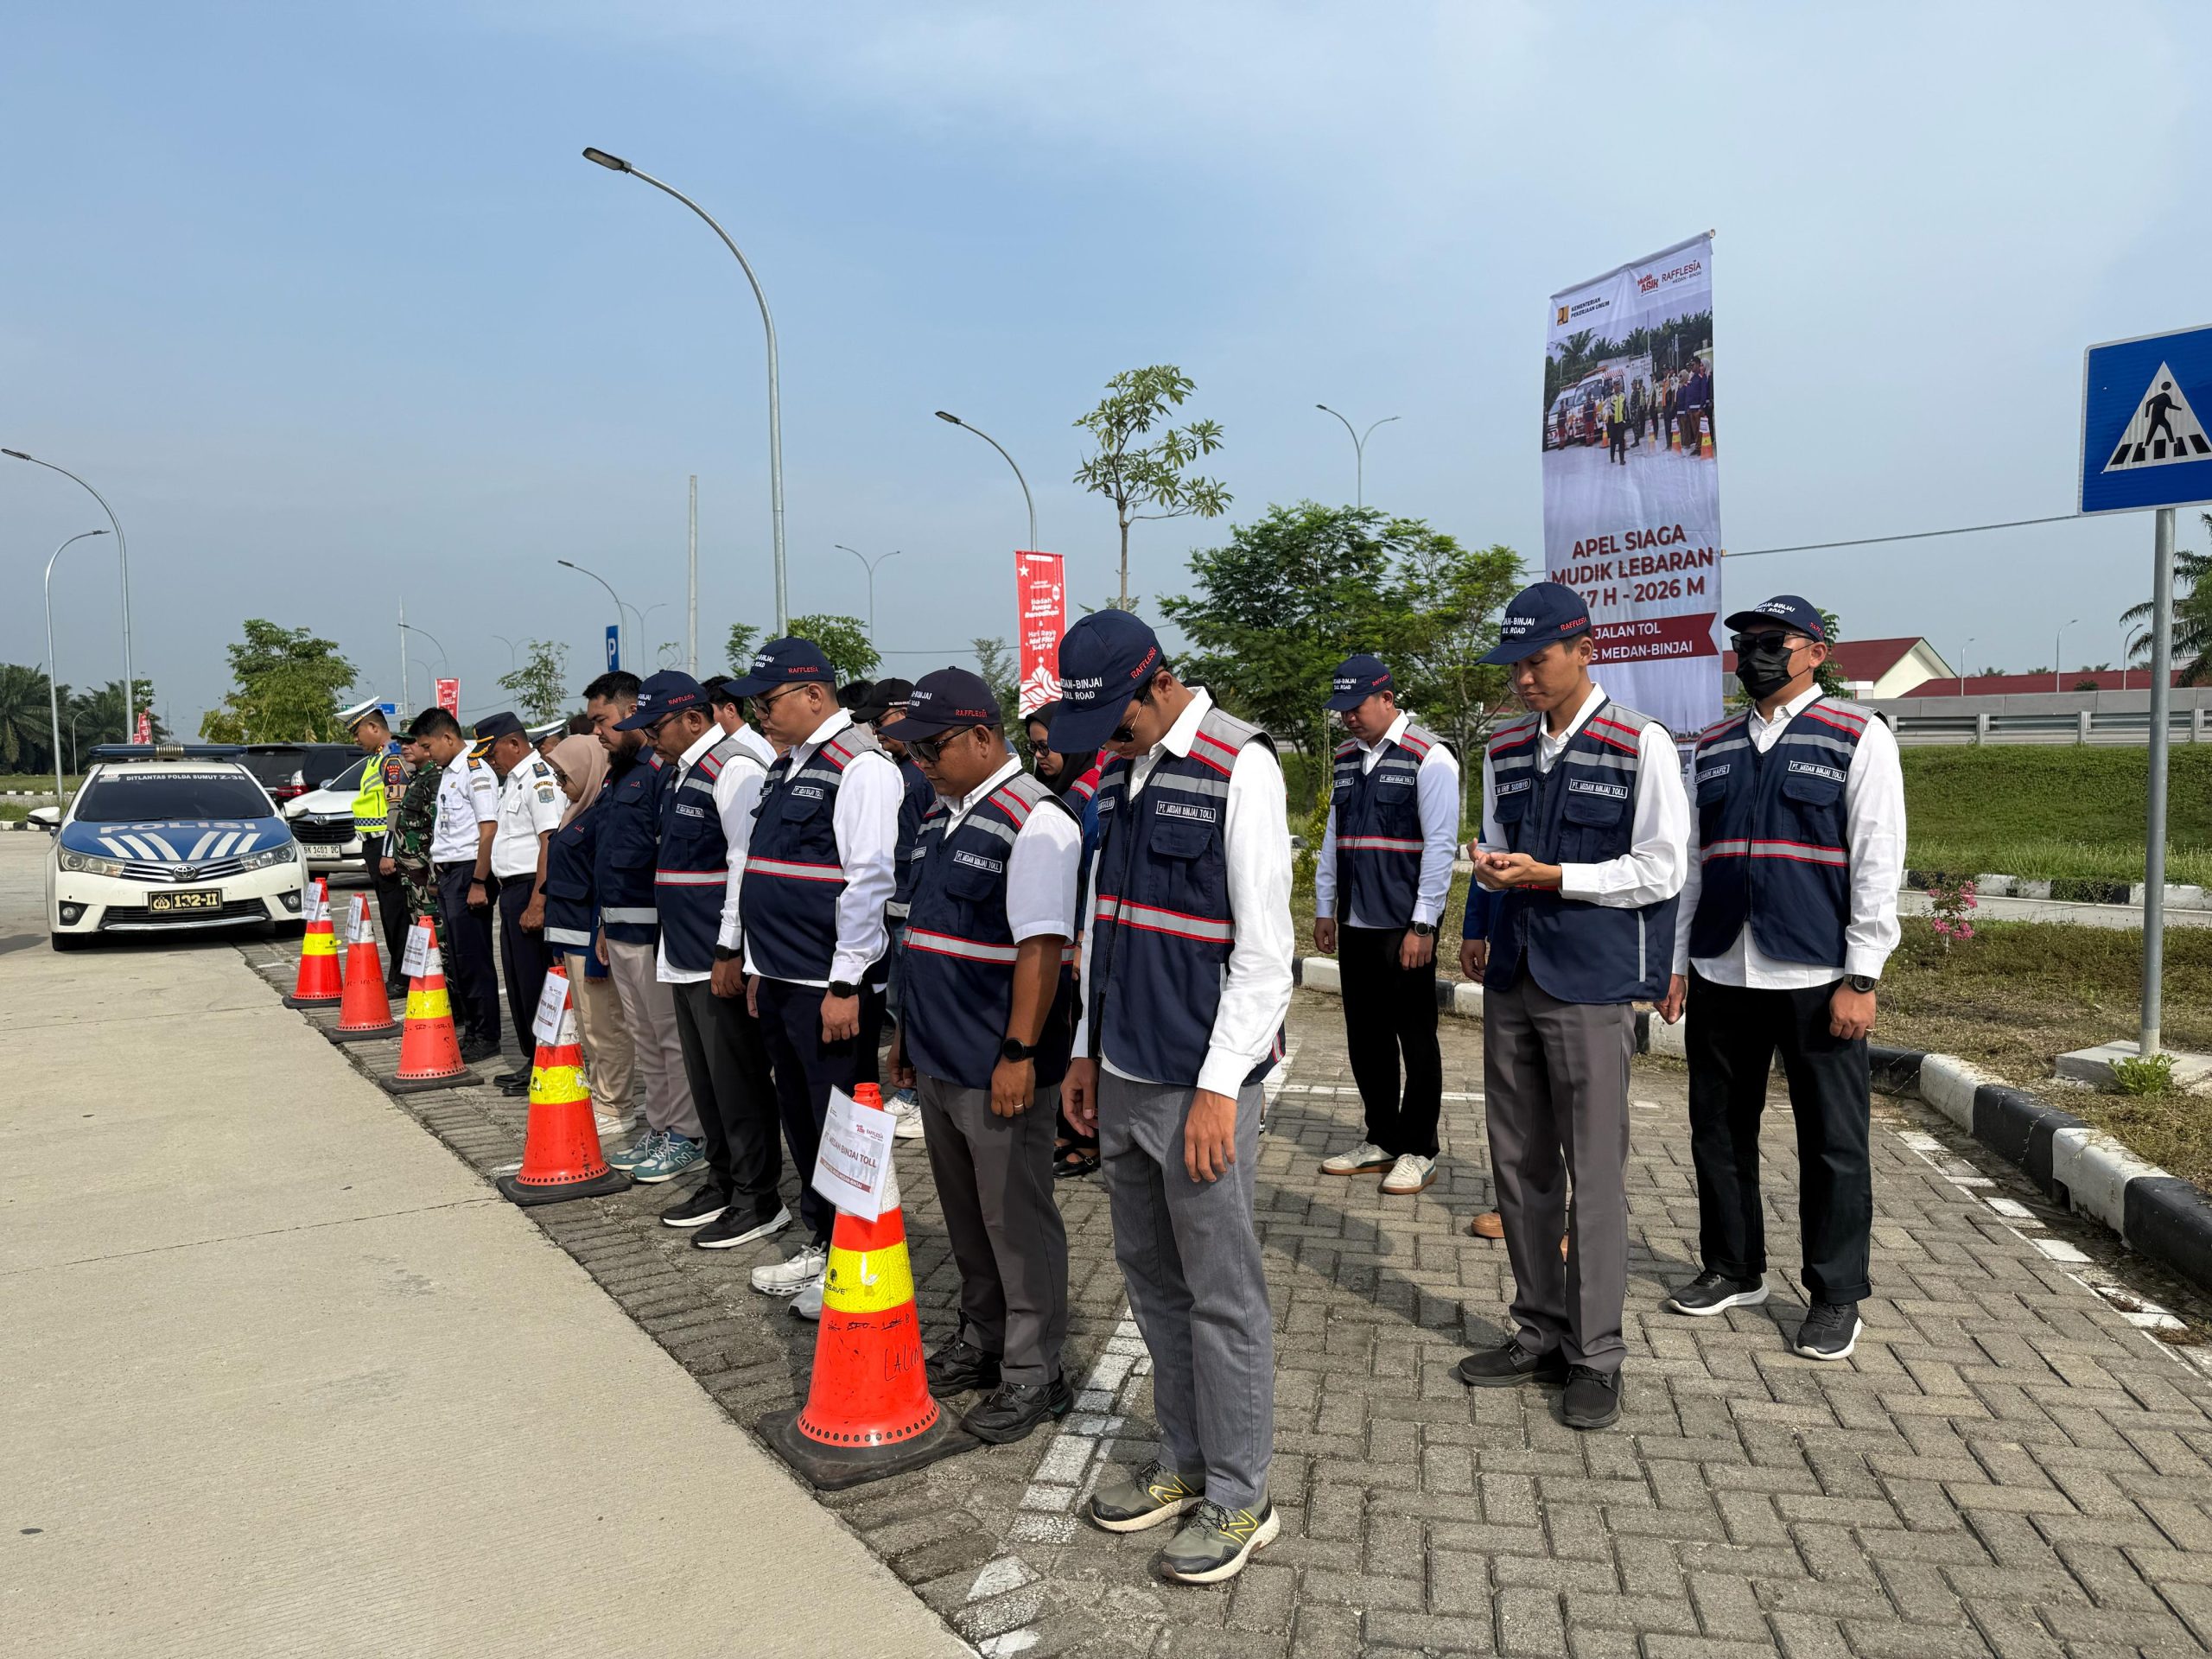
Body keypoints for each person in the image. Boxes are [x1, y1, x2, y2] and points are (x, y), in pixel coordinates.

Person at [1052, 611, 1292, 1586]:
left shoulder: (1242, 765)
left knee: (1222, 1295)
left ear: (1156, 686)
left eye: (1114, 718)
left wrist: (1217, 1089)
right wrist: (1081, 1049)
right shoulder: (1121, 770)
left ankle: (1241, 1495)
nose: (1103, 740)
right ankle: (1183, 1463)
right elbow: (1100, 927)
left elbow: (1266, 955)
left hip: (1199, 1086)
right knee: (1152, 1283)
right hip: (1121, 1071)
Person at [1453, 582, 1688, 1432]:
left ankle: (1594, 1355)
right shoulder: (1506, 747)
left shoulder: (1639, 743)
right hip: (1514, 975)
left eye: (1537, 661)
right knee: (1518, 1163)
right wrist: (1480, 914)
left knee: (1592, 1172)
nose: (1523, 680)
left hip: (1588, 985)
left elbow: (1663, 867)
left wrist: (1561, 878)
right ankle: (1537, 1331)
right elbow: (1491, 839)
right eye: (1513, 665)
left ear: (1584, 647)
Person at [1658, 596, 1904, 1362]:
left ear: (1814, 653)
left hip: (1815, 971)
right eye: (1745, 643)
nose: (1753, 655)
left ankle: (1836, 1295)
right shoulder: (1717, 744)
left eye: (1771, 642)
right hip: (1723, 965)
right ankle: (1733, 1267)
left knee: (1832, 1141)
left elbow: (1877, 859)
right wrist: (1676, 962)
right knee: (1718, 1130)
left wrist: (1862, 976)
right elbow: (1694, 863)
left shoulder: (1857, 735)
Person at [882, 669, 1082, 1441]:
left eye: (932, 746)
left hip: (996, 1061)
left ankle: (1035, 1372)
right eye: (912, 749)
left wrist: (1020, 1054)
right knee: (967, 1216)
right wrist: (907, 1034)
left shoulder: (1035, 821)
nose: (921, 761)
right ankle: (983, 1336)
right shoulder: (943, 817)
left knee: (1016, 1219)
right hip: (937, 1052)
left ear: (982, 736)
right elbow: (923, 938)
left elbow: (1040, 950)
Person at [728, 638, 901, 1308]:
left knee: (843, 1126)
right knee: (801, 1117)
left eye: (767, 702)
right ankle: (825, 1241)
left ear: (812, 695)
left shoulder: (860, 766)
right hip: (780, 977)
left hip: (826, 987)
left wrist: (845, 982)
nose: (760, 715)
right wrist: (755, 965)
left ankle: (858, 1263)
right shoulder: (788, 766)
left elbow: (868, 881)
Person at [618, 671, 791, 1238]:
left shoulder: (733, 769)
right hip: (684, 951)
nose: (649, 738)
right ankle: (723, 1180)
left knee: (737, 1082)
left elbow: (744, 862)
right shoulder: (677, 774)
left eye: (656, 726)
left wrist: (729, 948)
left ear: (696, 719)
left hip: (715, 956)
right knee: (708, 1085)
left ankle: (758, 1196)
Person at [1313, 654, 1460, 1196]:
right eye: (1342, 710)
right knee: (1366, 1036)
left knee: (1416, 1038)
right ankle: (1382, 1137)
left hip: (1404, 926)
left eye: (1357, 707)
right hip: (1354, 919)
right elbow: (1333, 836)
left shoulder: (1430, 756)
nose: (1349, 719)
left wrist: (1424, 925)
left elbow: (1442, 844)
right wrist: (1325, 906)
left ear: (1387, 699)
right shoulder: (1349, 757)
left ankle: (1419, 1149)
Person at [583, 670, 709, 1184]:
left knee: (670, 1038)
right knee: (645, 1037)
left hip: (656, 931)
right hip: (621, 929)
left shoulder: (661, 771)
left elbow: (664, 855)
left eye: (604, 721)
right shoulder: (621, 772)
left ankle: (686, 1133)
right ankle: (660, 1126)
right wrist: (603, 928)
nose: (598, 732)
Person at [1025, 701, 1103, 1179]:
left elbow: (1092, 870)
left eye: (1049, 745)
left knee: (1079, 1039)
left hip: (1079, 935)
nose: (1042, 756)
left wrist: (1081, 936)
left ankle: (1089, 1138)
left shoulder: (1092, 790)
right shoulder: (1054, 791)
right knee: (1059, 1039)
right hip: (1055, 935)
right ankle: (1065, 1126)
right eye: (1035, 748)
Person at [542, 734, 632, 1130]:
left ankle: (616, 1104)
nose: (560, 783)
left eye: (564, 775)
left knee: (603, 1025)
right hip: (568, 933)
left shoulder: (600, 816)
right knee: (587, 1024)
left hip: (588, 933)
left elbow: (602, 881)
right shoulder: (574, 810)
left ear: (587, 769)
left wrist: (599, 932)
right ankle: (602, 1094)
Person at [480, 711, 563, 1094]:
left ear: (514, 744)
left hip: (531, 888)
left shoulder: (539, 778)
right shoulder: (511, 781)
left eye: (493, 752)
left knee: (534, 981)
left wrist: (538, 902)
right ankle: (534, 1059)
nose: (489, 761)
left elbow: (549, 839)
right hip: (512, 890)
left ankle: (547, 1061)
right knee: (516, 981)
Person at [414, 707, 502, 1062]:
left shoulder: (474, 769)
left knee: (473, 957)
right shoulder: (450, 771)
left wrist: (479, 881)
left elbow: (488, 829)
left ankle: (487, 1034)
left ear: (448, 738)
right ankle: (472, 1031)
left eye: (428, 745)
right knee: (459, 961)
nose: (426, 753)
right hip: (451, 874)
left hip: (470, 872)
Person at [867, 677, 932, 1143]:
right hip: (896, 903)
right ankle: (913, 1091)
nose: (876, 730)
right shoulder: (899, 771)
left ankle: (918, 1096)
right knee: (898, 1003)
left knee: (911, 1002)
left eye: (882, 719)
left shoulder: (922, 775)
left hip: (915, 904)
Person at [340, 700, 411, 995]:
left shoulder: (391, 759)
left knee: (397, 915)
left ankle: (403, 977)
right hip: (374, 846)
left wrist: (388, 852)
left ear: (374, 727)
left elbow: (396, 810)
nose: (356, 739)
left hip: (386, 847)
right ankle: (398, 974)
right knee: (389, 913)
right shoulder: (375, 759)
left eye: (358, 732)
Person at [391, 721, 446, 960]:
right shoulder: (418, 777)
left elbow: (438, 829)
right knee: (421, 932)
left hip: (425, 874)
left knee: (437, 936)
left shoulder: (435, 778)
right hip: (412, 875)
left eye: (411, 741)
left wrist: (434, 875)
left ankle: (448, 989)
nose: (405, 747)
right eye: (402, 742)